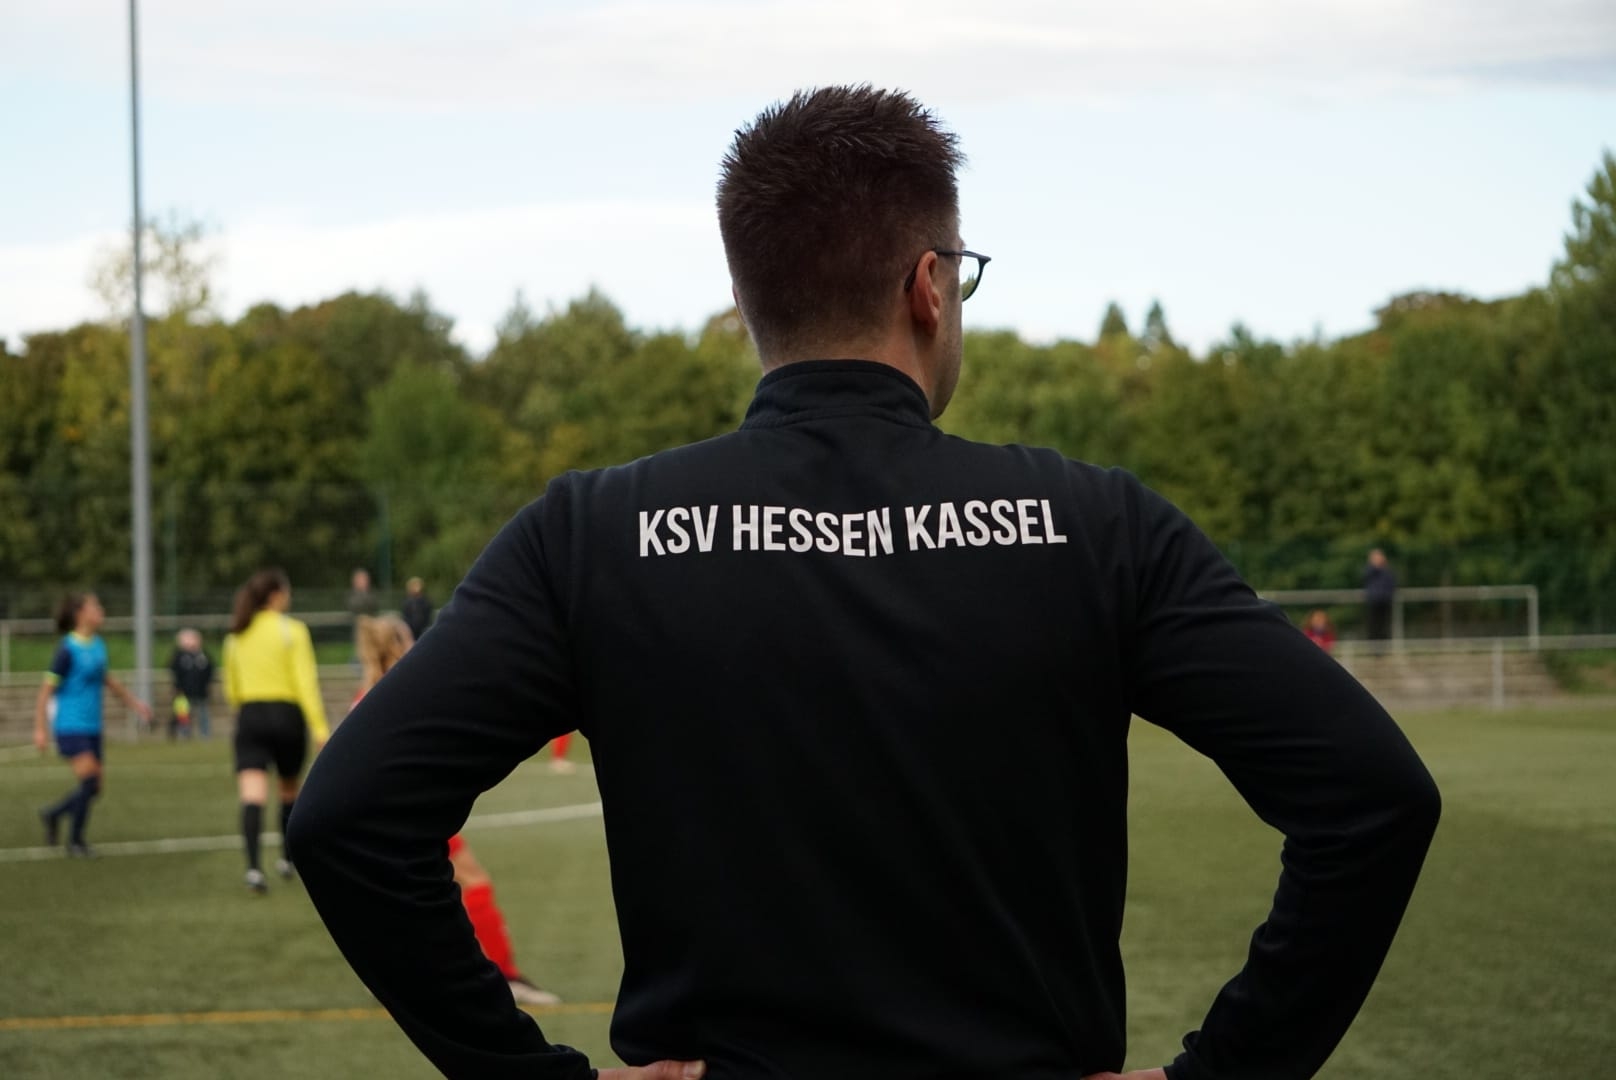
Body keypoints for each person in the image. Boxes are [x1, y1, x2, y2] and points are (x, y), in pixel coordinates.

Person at [291, 86, 1440, 1080]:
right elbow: (1370, 797)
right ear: (927, 285)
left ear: (748, 298)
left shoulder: (592, 532)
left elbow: (349, 819)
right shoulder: (1093, 523)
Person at [354, 614, 562, 1007]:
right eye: (410, 639)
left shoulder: (365, 697)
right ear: (399, 645)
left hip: (382, 817)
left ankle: (389, 973)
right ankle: (505, 975)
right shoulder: (403, 693)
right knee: (471, 882)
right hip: (412, 813)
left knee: (405, 896)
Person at [224, 569, 330, 894]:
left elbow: (231, 690)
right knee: (288, 790)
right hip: (287, 716)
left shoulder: (236, 634)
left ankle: (254, 869)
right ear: (275, 596)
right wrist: (320, 728)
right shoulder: (292, 630)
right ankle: (287, 859)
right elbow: (305, 682)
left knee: (252, 795)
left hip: (250, 715)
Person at [33, 592, 152, 856]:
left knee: (95, 788)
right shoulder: (67, 649)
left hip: (92, 726)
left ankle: (53, 814)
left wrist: (135, 704)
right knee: (89, 780)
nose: (100, 610)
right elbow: (45, 691)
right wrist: (40, 729)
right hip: (69, 725)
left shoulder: (98, 644)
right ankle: (75, 841)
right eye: (95, 606)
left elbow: (107, 680)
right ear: (80, 614)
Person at [167, 628, 215, 739]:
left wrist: (206, 683)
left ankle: (205, 734)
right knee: (183, 713)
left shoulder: (203, 656)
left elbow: (210, 670)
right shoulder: (179, 656)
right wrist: (178, 687)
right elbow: (174, 671)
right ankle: (184, 734)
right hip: (183, 692)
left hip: (201, 691)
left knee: (203, 713)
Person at [1363, 548, 1397, 646]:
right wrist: (1375, 566)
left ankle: (1384, 647)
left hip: (1385, 600)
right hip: (1373, 601)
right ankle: (1373, 648)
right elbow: (1365, 577)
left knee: (1385, 625)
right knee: (1373, 626)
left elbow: (1392, 582)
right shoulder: (1369, 570)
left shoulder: (1387, 570)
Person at [401, 577, 433, 643]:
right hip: (411, 631)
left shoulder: (425, 601)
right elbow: (406, 616)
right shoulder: (407, 602)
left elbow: (427, 616)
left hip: (422, 631)